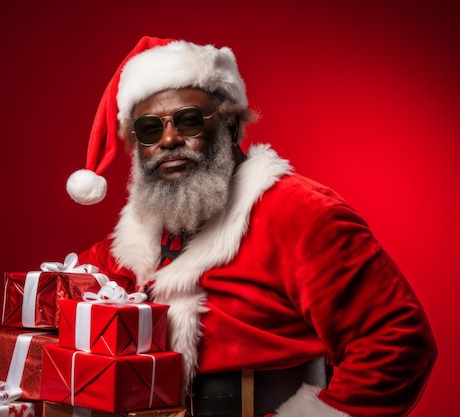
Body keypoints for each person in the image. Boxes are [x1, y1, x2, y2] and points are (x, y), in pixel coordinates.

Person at [65, 36, 437, 417]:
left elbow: (397, 342)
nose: (169, 139)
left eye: (189, 120)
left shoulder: (301, 213)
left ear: (228, 124)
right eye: (149, 130)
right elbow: (71, 295)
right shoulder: (139, 234)